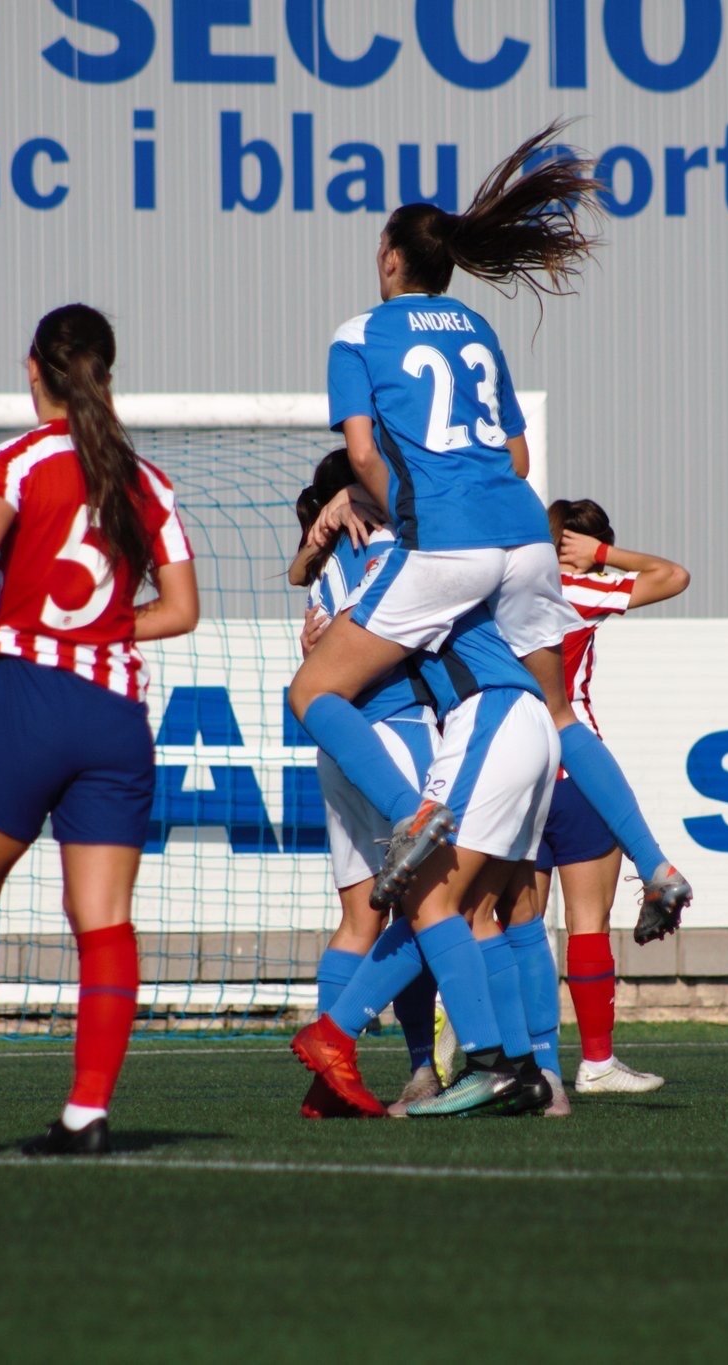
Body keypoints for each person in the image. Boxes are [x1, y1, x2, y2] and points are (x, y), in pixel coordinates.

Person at [285, 121, 692, 949]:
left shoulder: (359, 334)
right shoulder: (478, 330)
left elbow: (362, 452)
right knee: (560, 712)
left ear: (392, 258)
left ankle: (413, 818)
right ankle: (656, 864)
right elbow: (516, 453)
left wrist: (403, 506)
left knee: (311, 692)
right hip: (522, 530)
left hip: (445, 540)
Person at [0, 303, 199, 1157]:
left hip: (28, 701)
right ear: (107, 372)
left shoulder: (17, 459)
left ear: (34, 369)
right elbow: (181, 610)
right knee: (104, 924)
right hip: (115, 719)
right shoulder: (148, 480)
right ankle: (86, 1113)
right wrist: (99, 633)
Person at [291, 599, 560, 1119]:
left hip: (484, 719)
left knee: (429, 900)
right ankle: (529, 1072)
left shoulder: (418, 563)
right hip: (533, 724)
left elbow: (326, 681)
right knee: (485, 910)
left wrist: (320, 658)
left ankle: (352, 1035)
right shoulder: (490, 570)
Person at [290, 451, 443, 1117]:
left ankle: (333, 1084)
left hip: (339, 748)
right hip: (397, 733)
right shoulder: (396, 547)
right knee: (438, 907)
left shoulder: (323, 566)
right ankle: (407, 1062)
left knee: (360, 917)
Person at [538, 497, 691, 1096]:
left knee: (515, 924)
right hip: (576, 775)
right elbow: (672, 576)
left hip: (508, 775)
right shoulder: (576, 591)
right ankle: (596, 1061)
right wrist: (601, 558)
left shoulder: (499, 597)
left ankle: (524, 1062)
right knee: (587, 923)